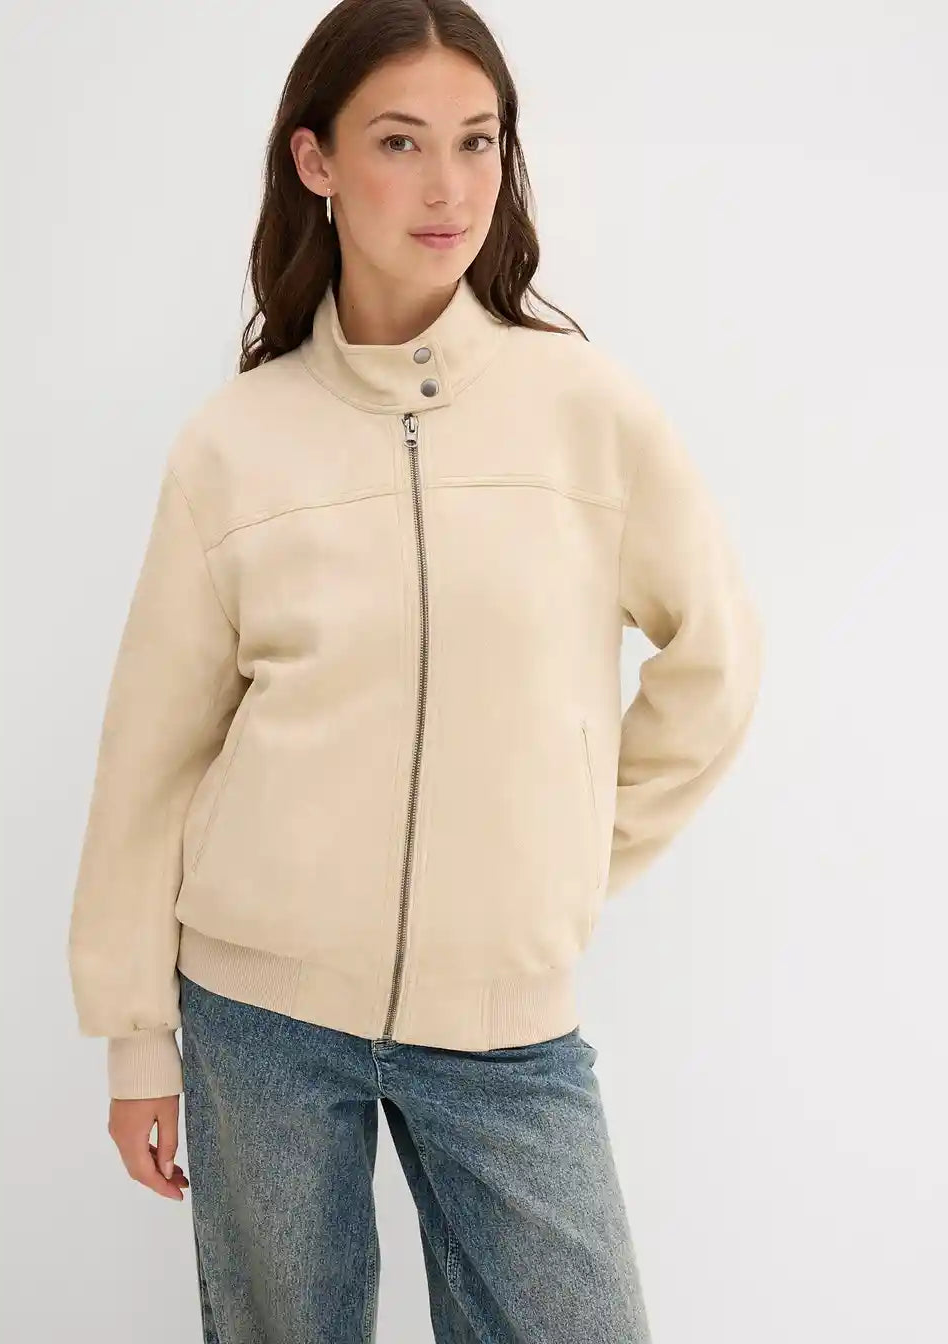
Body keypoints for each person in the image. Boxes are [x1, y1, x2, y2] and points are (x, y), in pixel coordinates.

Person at [66, 1, 764, 1339]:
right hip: (258, 1012)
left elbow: (717, 662)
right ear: (316, 159)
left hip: (504, 1023)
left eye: (477, 140)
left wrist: (567, 857)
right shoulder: (234, 445)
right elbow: (150, 758)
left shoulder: (587, 413)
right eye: (400, 141)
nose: (449, 186)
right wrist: (135, 1035)